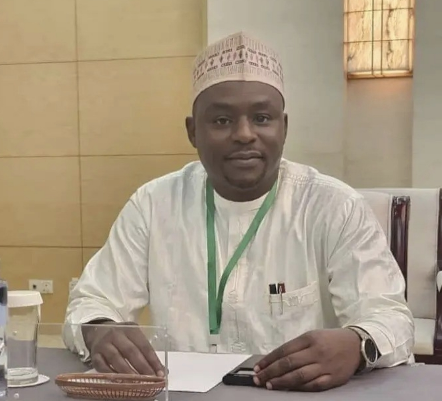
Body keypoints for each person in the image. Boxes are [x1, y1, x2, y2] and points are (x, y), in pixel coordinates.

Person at [63, 32, 414, 392]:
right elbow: (92, 301)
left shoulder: (334, 207)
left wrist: (358, 344)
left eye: (262, 118)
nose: (244, 134)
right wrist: (99, 329)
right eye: (221, 121)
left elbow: (390, 317)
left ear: (284, 127)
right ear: (192, 132)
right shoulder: (153, 205)